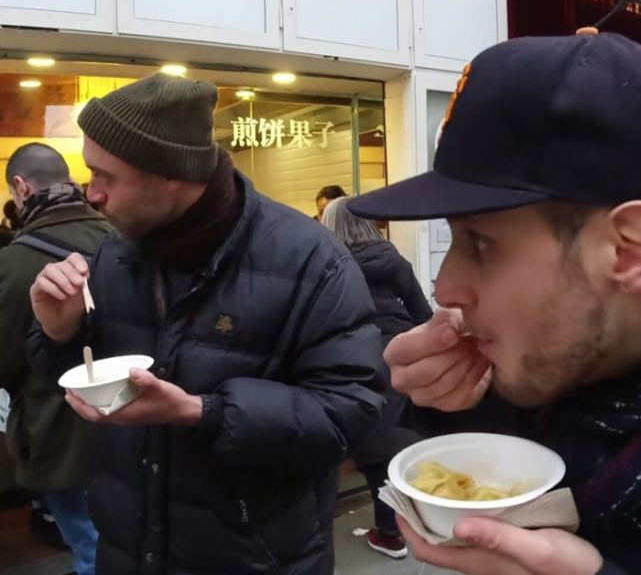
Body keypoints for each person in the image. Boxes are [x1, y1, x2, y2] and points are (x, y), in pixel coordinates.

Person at [25, 73, 384, 575]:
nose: (93, 194)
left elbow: (351, 411)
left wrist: (202, 411)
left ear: (170, 174)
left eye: (105, 175)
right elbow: (77, 379)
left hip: (256, 558)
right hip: (128, 553)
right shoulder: (115, 253)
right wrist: (58, 330)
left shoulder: (310, 259)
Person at [348, 32, 641, 575]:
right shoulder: (569, 360)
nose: (444, 287)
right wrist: (458, 407)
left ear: (627, 250)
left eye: (482, 242)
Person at [0, 142, 112, 575]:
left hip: (60, 439)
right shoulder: (124, 238)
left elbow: (5, 365)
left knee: (91, 552)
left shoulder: (11, 265)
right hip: (139, 427)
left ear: (20, 187)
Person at [322, 196, 432, 559]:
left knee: (369, 451)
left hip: (353, 359)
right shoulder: (391, 258)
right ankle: (408, 525)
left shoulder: (329, 264)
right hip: (398, 357)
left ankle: (390, 534)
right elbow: (423, 314)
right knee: (396, 442)